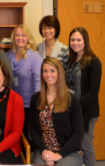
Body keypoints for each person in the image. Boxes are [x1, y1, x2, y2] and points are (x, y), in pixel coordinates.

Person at [30, 57, 84, 166]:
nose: (48, 74)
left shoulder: (71, 99)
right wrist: (44, 151)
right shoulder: (36, 98)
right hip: (43, 151)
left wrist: (58, 155)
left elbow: (78, 133)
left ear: (59, 73)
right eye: (45, 71)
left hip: (69, 151)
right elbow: (32, 129)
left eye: (52, 71)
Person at [65, 27, 102, 166]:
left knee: (86, 147)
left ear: (85, 41)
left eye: (78, 39)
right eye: (72, 39)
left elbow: (93, 91)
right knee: (76, 146)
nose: (75, 42)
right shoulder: (71, 60)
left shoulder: (93, 61)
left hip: (86, 112)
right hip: (72, 110)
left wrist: (76, 106)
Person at [7, 24, 42, 139]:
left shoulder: (34, 56)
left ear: (28, 38)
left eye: (23, 35)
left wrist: (37, 104)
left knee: (28, 136)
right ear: (13, 37)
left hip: (30, 105)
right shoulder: (8, 55)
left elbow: (39, 82)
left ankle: (29, 157)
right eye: (17, 35)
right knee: (15, 134)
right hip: (13, 104)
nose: (20, 38)